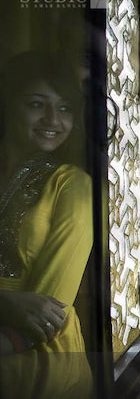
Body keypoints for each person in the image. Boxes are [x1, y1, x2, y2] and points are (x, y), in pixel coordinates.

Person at [0, 51, 93, 397]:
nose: (53, 119)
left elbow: (47, 312)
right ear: (9, 104)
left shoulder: (72, 185)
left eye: (66, 108)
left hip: (36, 354)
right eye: (36, 104)